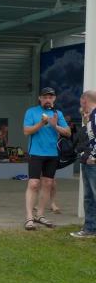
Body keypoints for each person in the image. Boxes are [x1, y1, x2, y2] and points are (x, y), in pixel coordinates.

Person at [23, 87, 70, 230]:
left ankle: (40, 215)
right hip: (36, 153)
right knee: (33, 184)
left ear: (54, 99)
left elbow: (67, 132)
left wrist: (55, 126)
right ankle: (29, 217)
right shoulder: (31, 111)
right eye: (45, 97)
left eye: (50, 97)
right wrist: (41, 123)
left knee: (48, 184)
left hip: (52, 154)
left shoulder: (57, 114)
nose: (47, 100)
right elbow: (26, 131)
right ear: (40, 98)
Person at [70, 90, 96, 238]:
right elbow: (85, 140)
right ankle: (90, 228)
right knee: (89, 197)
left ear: (85, 100)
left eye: (81, 101)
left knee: (92, 196)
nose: (81, 104)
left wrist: (94, 156)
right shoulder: (90, 118)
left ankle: (90, 228)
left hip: (92, 162)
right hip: (87, 161)